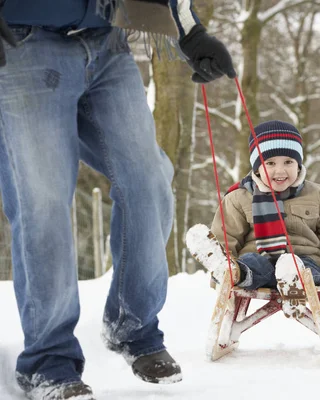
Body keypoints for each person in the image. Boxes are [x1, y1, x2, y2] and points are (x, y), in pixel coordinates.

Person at [0, 1, 236, 398]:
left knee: (149, 181)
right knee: (42, 202)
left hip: (107, 45)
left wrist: (191, 32)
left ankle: (133, 325)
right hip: (22, 46)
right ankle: (48, 360)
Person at [186, 120, 320, 318]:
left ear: (299, 163)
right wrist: (221, 284)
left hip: (306, 267)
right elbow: (226, 236)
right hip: (259, 266)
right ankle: (229, 272)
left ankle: (293, 284)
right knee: (248, 263)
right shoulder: (239, 198)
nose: (280, 171)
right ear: (257, 167)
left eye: (288, 162)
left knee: (301, 268)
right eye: (270, 163)